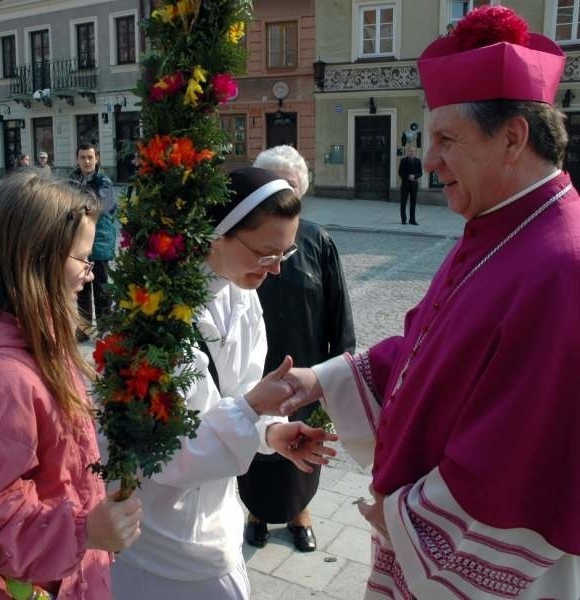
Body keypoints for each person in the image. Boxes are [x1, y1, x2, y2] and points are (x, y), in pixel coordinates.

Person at [275, 6, 580, 598]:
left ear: (513, 138)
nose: (427, 158)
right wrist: (321, 380)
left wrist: (409, 521)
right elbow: (430, 346)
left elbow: (527, 448)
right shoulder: (500, 224)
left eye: (445, 139)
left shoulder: (563, 265)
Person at [111, 167, 338, 600]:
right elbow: (164, 452)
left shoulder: (242, 297)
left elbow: (236, 399)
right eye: (265, 253)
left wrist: (271, 431)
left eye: (284, 255)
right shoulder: (158, 317)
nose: (274, 271)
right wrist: (252, 408)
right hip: (161, 533)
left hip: (216, 516)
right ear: (219, 234)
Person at [0, 171, 142, 599]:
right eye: (83, 259)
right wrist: (84, 530)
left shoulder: (40, 340)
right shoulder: (2, 377)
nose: (90, 273)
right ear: (38, 259)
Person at [238, 146, 355, 553]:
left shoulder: (318, 240)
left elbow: (339, 312)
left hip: (303, 366)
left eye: (289, 187)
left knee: (300, 443)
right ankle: (255, 512)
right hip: (254, 365)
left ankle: (299, 513)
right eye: (272, 186)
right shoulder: (242, 242)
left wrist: (339, 372)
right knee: (253, 440)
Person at [69, 143, 117, 336]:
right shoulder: (72, 180)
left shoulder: (103, 182)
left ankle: (105, 329)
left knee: (102, 288)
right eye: (83, 157)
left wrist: (77, 205)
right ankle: (84, 328)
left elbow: (100, 205)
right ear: (77, 160)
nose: (87, 161)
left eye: (90, 157)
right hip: (78, 245)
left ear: (97, 159)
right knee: (81, 288)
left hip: (100, 243)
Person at [397, 146, 422, 225]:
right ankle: (403, 219)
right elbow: (400, 172)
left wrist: (415, 176)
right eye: (410, 151)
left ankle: (412, 220)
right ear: (408, 152)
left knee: (413, 202)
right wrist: (408, 176)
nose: (412, 152)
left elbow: (420, 172)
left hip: (414, 185)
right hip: (405, 184)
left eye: (413, 151)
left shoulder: (418, 161)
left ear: (415, 152)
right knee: (403, 202)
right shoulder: (403, 161)